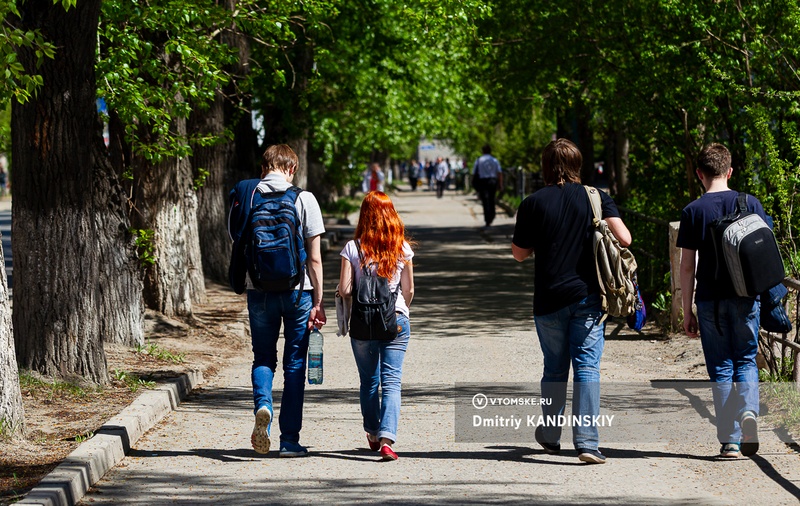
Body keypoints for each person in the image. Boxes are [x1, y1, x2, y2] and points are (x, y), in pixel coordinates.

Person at [511, 138, 631, 464]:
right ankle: (588, 444)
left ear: (546, 167)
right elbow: (625, 238)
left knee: (554, 368)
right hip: (588, 297)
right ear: (578, 165)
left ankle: (550, 436)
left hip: (548, 299)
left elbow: (519, 254)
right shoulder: (596, 197)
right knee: (587, 368)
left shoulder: (533, 202)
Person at [228, 144, 327, 458]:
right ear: (292, 168)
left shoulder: (247, 196)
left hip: (259, 290)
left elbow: (236, 240)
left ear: (264, 166)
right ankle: (289, 441)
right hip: (299, 292)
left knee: (262, 359)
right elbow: (314, 258)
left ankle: (263, 406)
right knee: (295, 365)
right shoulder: (304, 198)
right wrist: (319, 300)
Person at [677, 142, 762, 459]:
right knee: (745, 360)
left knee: (721, 368)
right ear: (730, 171)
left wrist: (687, 310)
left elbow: (687, 266)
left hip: (710, 300)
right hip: (745, 297)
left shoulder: (693, 211)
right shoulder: (749, 203)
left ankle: (729, 441)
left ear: (699, 174)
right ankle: (750, 413)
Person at [339, 191, 415, 461]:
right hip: (396, 320)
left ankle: (372, 431)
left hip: (363, 323)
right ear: (390, 215)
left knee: (369, 381)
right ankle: (386, 439)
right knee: (392, 381)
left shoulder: (353, 248)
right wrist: (398, 310)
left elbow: (346, 290)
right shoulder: (402, 248)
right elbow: (409, 290)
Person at [472, 144, 503, 226]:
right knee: (492, 199)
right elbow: (499, 173)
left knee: (485, 200)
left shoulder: (479, 160)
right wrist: (500, 184)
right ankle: (492, 215)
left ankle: (487, 218)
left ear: (482, 151)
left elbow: (474, 172)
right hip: (492, 181)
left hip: (483, 181)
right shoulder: (494, 160)